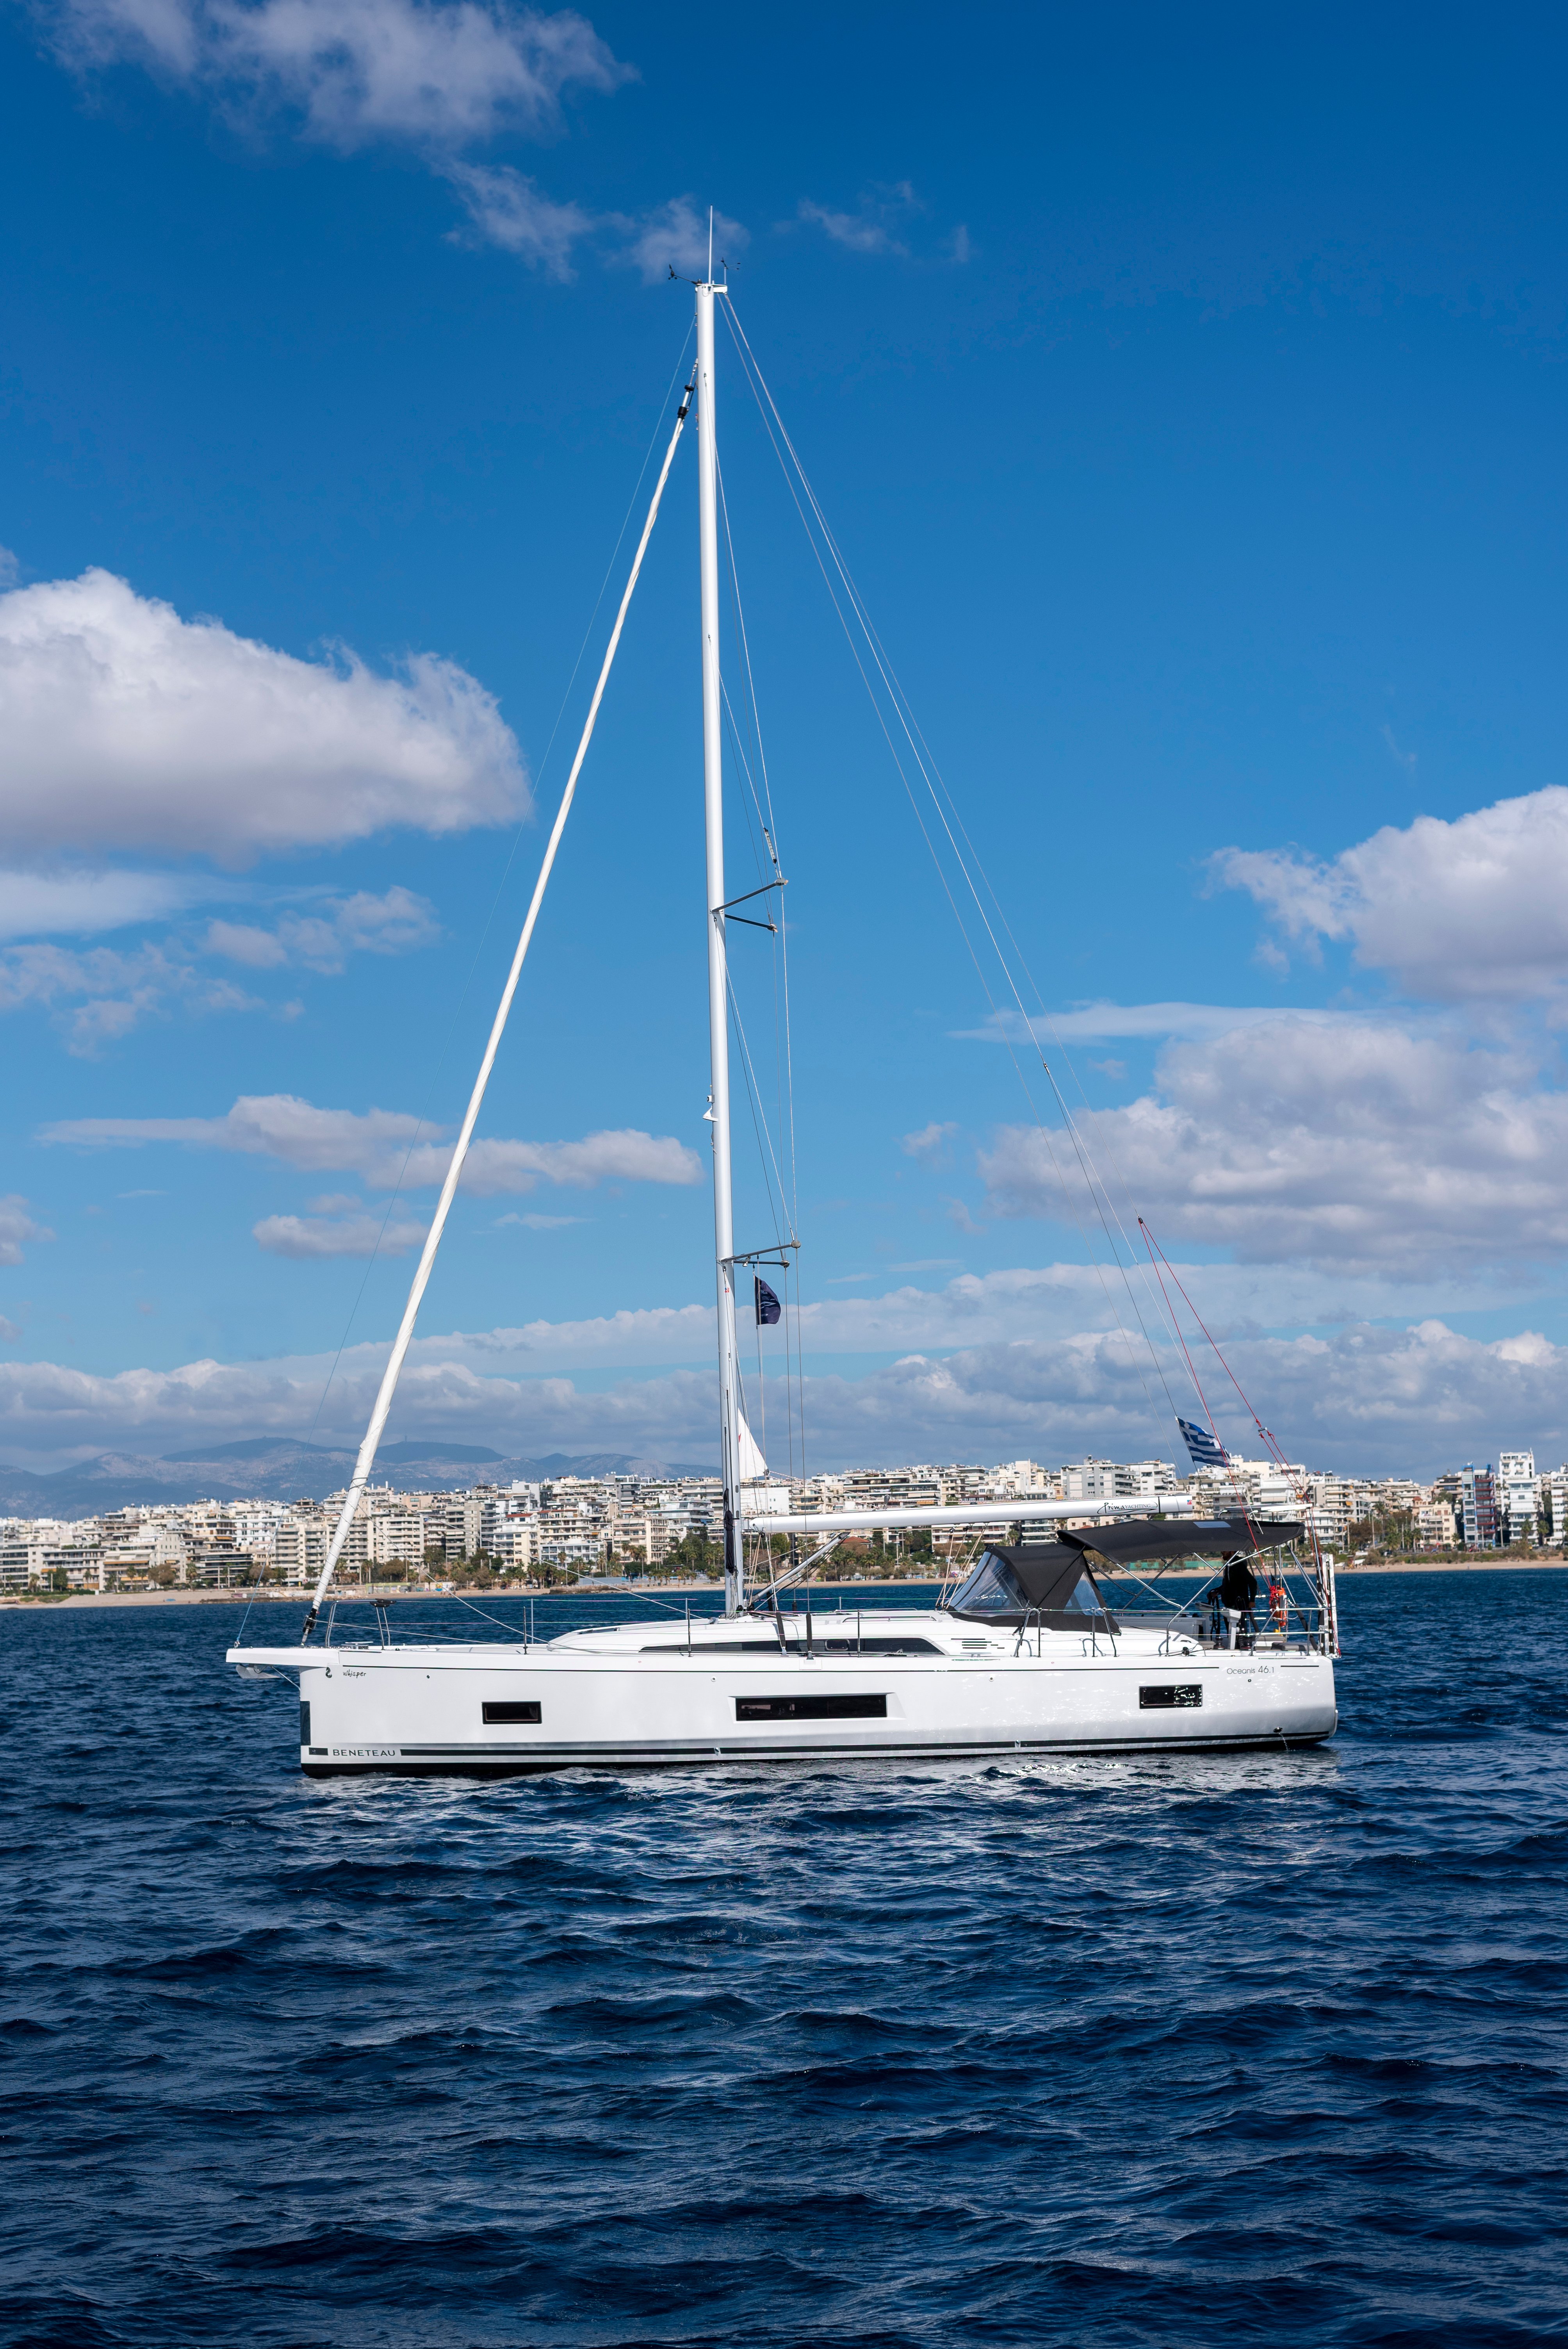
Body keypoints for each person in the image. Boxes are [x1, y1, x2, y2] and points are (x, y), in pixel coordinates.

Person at [1219, 1554, 1258, 1649]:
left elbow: (1253, 1582)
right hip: (1229, 1604)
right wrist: (1217, 1591)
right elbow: (1229, 1584)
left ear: (1232, 1552)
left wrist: (1252, 1600)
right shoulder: (1229, 1566)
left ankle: (1240, 1646)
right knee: (1231, 1627)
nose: (1222, 1553)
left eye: (1224, 1551)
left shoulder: (1238, 1564)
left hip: (1239, 1604)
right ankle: (1235, 1645)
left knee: (1240, 1628)